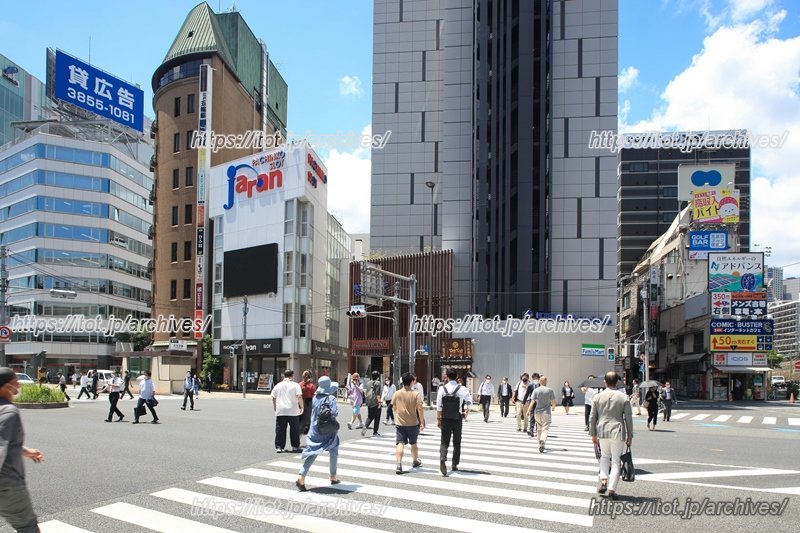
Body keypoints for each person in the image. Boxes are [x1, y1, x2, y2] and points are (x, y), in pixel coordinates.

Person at [0, 367, 45, 533]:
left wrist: (25, 451)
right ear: (6, 387)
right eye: (15, 383)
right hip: (7, 486)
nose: (18, 386)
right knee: (28, 528)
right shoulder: (8, 411)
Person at [589, 371, 633, 500]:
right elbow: (628, 418)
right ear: (617, 382)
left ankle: (603, 479)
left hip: (602, 430)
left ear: (605, 382)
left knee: (604, 457)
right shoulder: (623, 397)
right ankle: (612, 489)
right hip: (617, 430)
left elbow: (592, 417)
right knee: (615, 461)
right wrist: (630, 435)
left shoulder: (597, 397)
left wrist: (593, 434)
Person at [296, 376, 341, 491]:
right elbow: (334, 413)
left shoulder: (315, 398)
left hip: (315, 429)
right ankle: (333, 476)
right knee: (334, 450)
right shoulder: (331, 398)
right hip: (328, 430)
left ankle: (301, 476)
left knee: (313, 452)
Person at [436, 368, 473, 477]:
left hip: (445, 418)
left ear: (446, 376)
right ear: (457, 377)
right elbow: (470, 403)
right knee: (457, 442)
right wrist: (466, 410)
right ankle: (454, 464)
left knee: (444, 442)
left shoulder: (442, 389)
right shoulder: (462, 389)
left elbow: (439, 406)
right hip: (457, 418)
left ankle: (443, 459)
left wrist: (439, 419)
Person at [392, 373, 425, 474]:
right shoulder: (415, 394)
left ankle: (399, 464)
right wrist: (422, 422)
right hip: (413, 423)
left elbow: (393, 406)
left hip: (400, 423)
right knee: (413, 443)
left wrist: (398, 414)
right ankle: (415, 461)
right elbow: (419, 408)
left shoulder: (397, 393)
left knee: (400, 443)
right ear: (411, 382)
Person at [271, 369, 303, 453]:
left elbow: (273, 396)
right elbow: (299, 396)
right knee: (294, 429)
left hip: (281, 410)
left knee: (280, 429)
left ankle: (279, 446)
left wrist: (275, 406)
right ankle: (295, 446)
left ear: (284, 375)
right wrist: (302, 407)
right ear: (292, 375)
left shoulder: (278, 385)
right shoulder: (295, 385)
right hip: (293, 410)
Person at [531, 376, 557, 453]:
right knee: (545, 428)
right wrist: (553, 407)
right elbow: (553, 401)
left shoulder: (536, 390)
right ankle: (542, 440)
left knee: (539, 428)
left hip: (537, 412)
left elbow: (532, 401)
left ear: (539, 381)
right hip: (546, 412)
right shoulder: (550, 390)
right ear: (546, 381)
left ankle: (539, 445)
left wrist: (528, 410)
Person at [361, 371, 384, 437]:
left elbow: (366, 392)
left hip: (369, 402)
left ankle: (365, 426)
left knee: (370, 416)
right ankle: (375, 432)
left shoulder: (368, 383)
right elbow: (377, 393)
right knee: (377, 417)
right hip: (376, 402)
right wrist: (379, 402)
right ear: (378, 377)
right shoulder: (378, 383)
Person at [299, 370, 316, 435]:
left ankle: (300, 433)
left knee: (301, 419)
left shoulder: (299, 384)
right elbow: (314, 395)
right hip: (308, 402)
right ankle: (304, 432)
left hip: (301, 401)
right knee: (307, 419)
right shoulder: (311, 386)